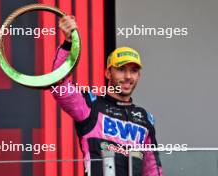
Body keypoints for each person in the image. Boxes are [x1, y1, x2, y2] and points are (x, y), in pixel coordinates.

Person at [51, 15, 163, 176]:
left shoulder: (145, 118)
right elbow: (58, 85)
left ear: (139, 76)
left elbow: (153, 169)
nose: (128, 76)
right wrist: (68, 44)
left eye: (133, 71)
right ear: (107, 73)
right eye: (121, 69)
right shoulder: (90, 105)